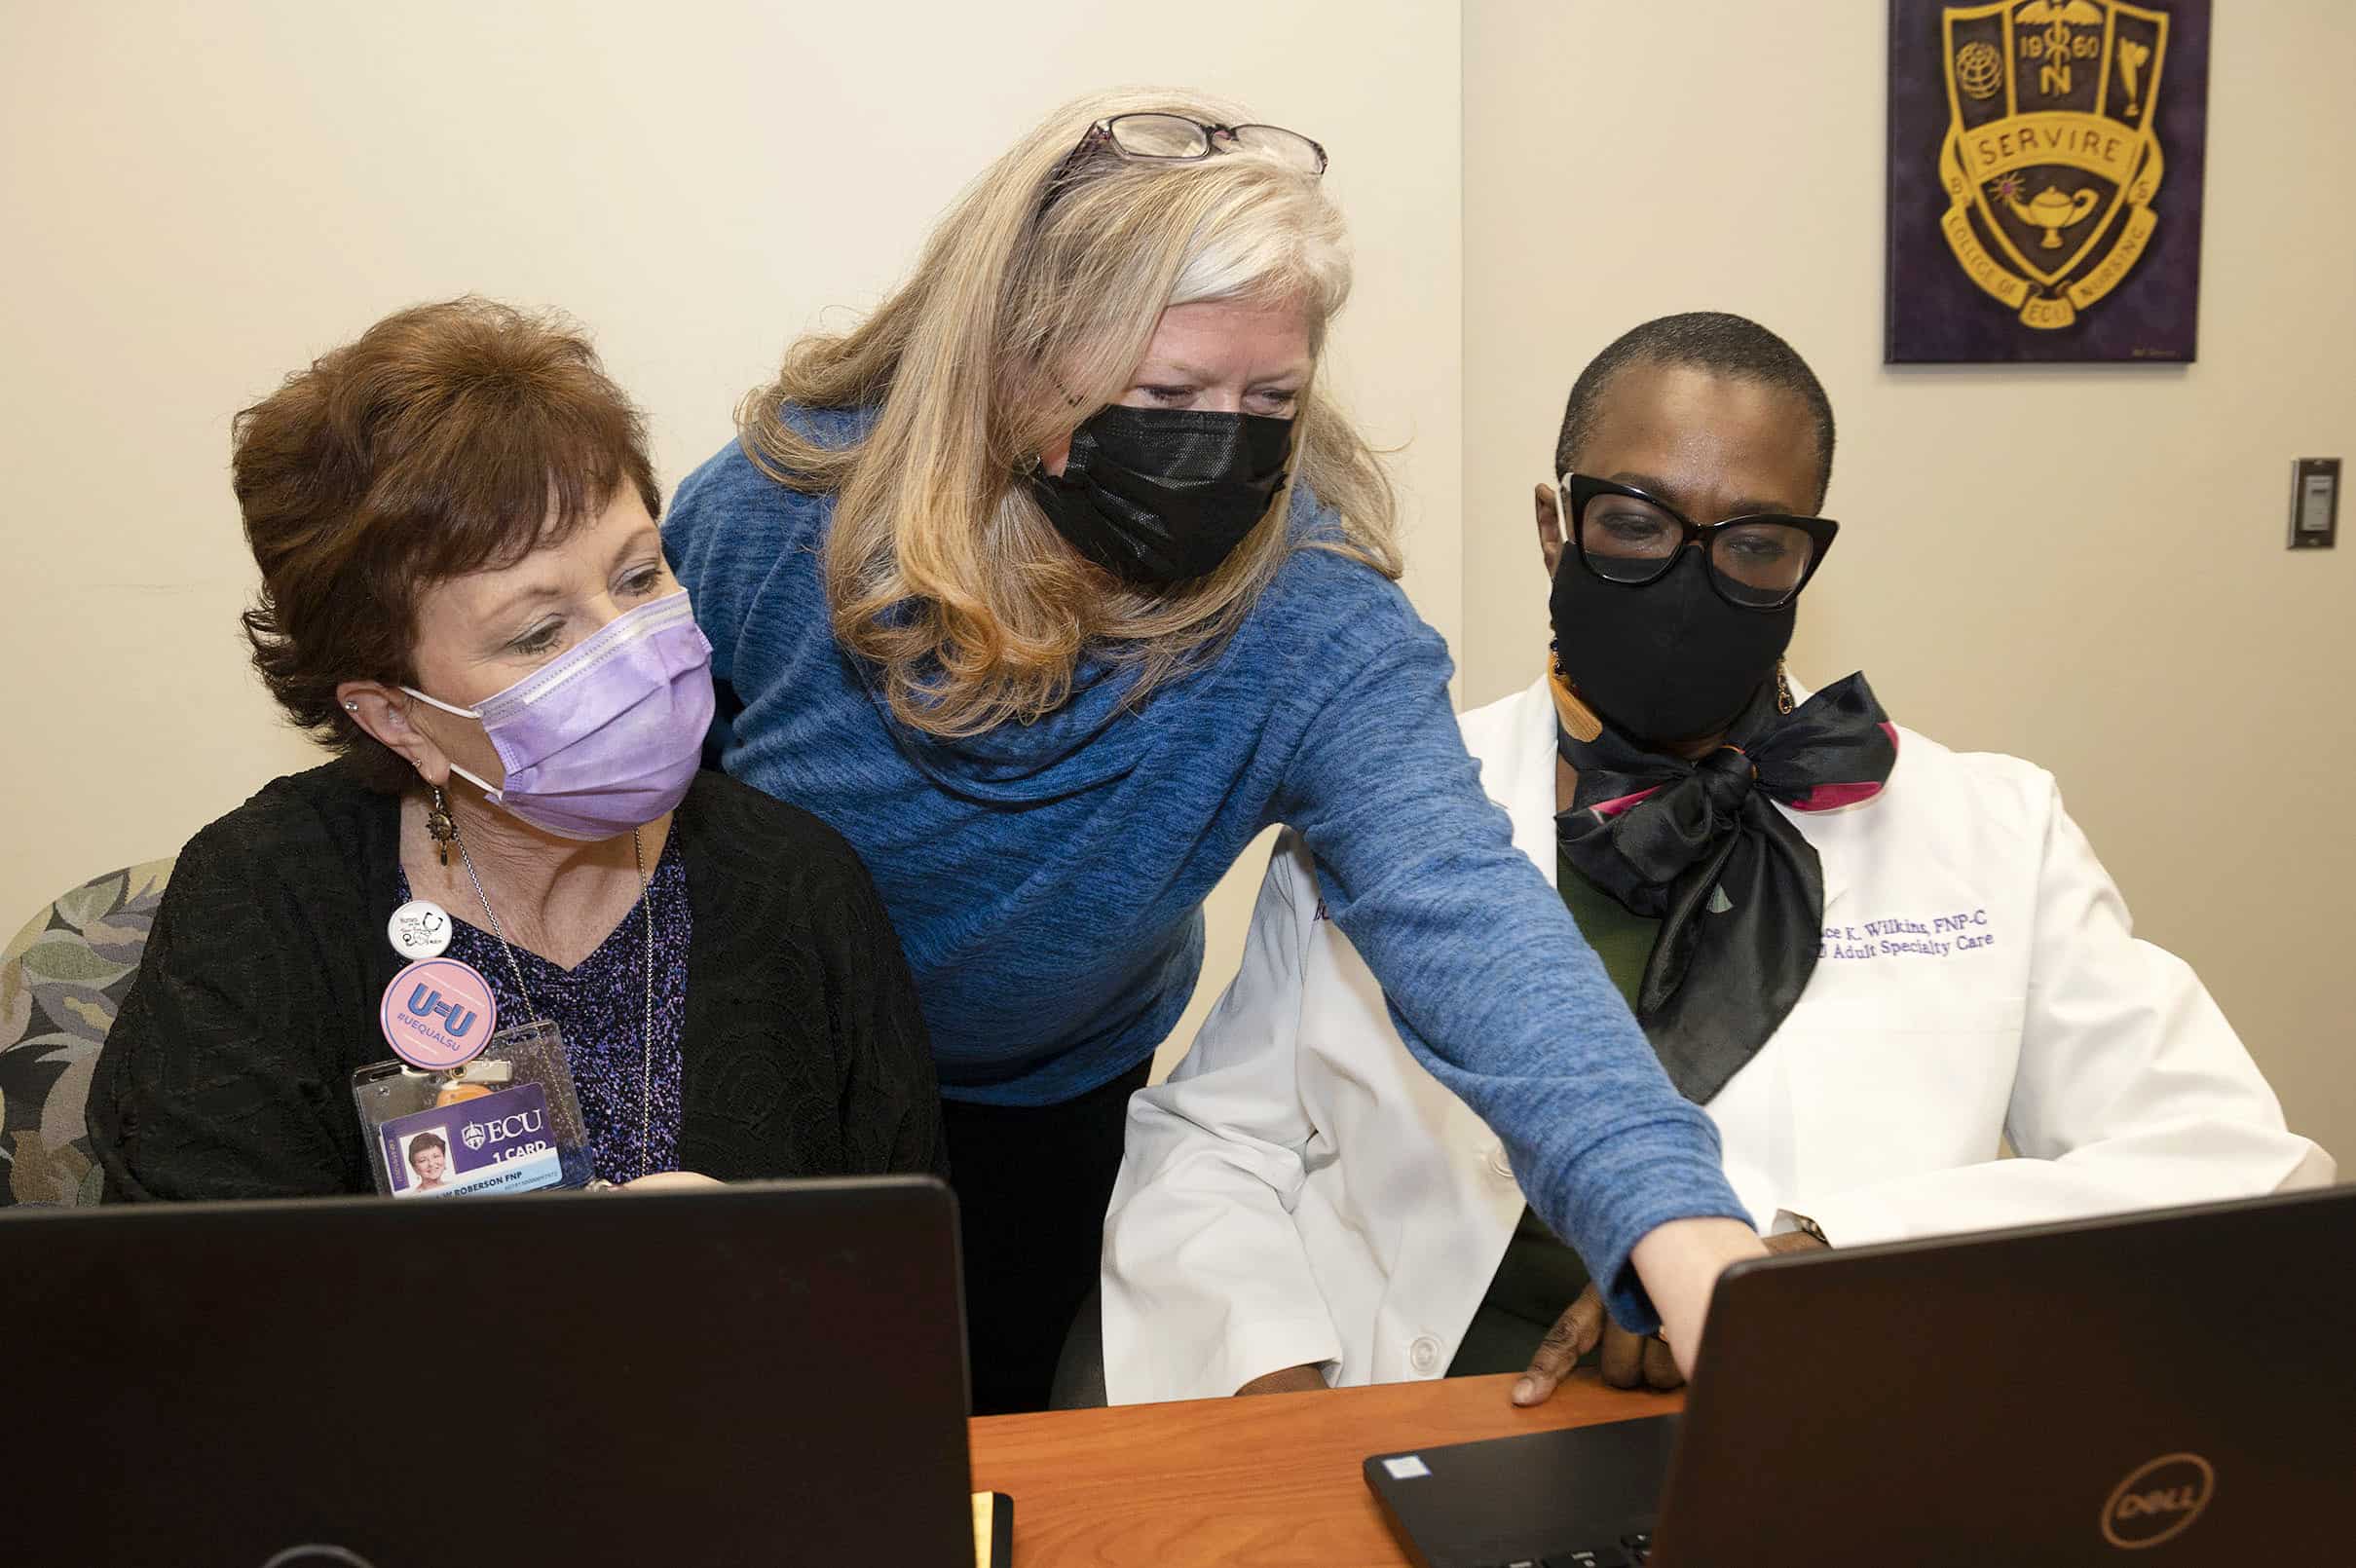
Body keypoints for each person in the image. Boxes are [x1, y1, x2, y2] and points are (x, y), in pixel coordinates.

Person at [663, 92, 1759, 1412]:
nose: (1221, 441)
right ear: (1013, 359)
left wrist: (1673, 1218)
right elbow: (650, 803)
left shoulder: (1311, 623)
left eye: (1269, 397)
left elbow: (1464, 911)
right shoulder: (781, 513)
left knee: (990, 1455)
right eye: (1167, 393)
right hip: (765, 1072)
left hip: (1049, 1105)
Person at [1101, 312, 2336, 1404]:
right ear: (1555, 525)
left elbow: (2232, 1165)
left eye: (1751, 544)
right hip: (1435, 1415)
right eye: (1634, 522)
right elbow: (1214, 1141)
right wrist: (1270, 1393)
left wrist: (1811, 1262)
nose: (1688, 576)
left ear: (1806, 563)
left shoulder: (1987, 831)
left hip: (1830, 1427)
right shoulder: (1393, 803)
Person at [91, 299, 943, 1200]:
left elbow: (906, 1285)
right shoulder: (266, 901)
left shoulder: (796, 885)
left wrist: (748, 1277)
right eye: (539, 633)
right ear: (396, 718)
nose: (633, 650)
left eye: (639, 575)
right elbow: (197, 1312)